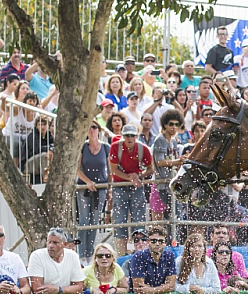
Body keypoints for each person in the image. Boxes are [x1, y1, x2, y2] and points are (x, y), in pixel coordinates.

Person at [109, 124, 154, 255]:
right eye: (127, 135)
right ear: (123, 136)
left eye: (132, 135)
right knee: (119, 220)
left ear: (136, 136)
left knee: (139, 219)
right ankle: (121, 253)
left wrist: (139, 176)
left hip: (136, 186)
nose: (129, 138)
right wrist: (132, 178)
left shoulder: (143, 149)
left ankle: (139, 251)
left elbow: (151, 168)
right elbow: (114, 170)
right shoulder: (115, 147)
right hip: (120, 186)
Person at [76, 121, 110, 263]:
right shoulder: (82, 147)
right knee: (84, 221)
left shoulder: (106, 147)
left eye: (94, 127)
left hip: (100, 188)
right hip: (84, 188)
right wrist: (87, 182)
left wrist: (110, 188)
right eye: (89, 127)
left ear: (99, 130)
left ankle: (90, 254)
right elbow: (77, 169)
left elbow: (110, 169)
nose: (91, 130)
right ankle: (82, 254)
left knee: (95, 221)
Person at [151, 109, 184, 231]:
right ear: (165, 125)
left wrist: (180, 161)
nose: (174, 127)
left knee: (176, 215)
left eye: (176, 124)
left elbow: (174, 161)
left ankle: (174, 241)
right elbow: (160, 162)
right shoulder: (160, 139)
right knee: (170, 216)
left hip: (172, 181)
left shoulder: (174, 141)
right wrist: (178, 161)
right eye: (171, 124)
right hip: (163, 183)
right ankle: (170, 242)